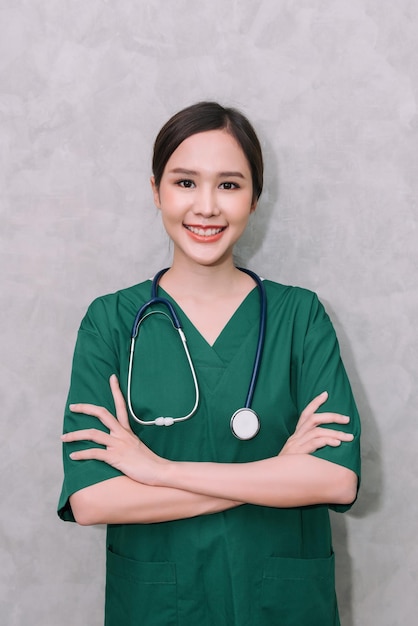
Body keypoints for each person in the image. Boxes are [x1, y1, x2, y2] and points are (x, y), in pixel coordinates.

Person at [58, 101, 361, 626]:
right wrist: (276, 475)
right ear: (156, 191)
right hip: (161, 605)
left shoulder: (301, 317)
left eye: (228, 185)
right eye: (184, 182)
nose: (206, 207)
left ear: (254, 197)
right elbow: (92, 498)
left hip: (282, 606)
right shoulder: (110, 322)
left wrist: (158, 472)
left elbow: (335, 480)